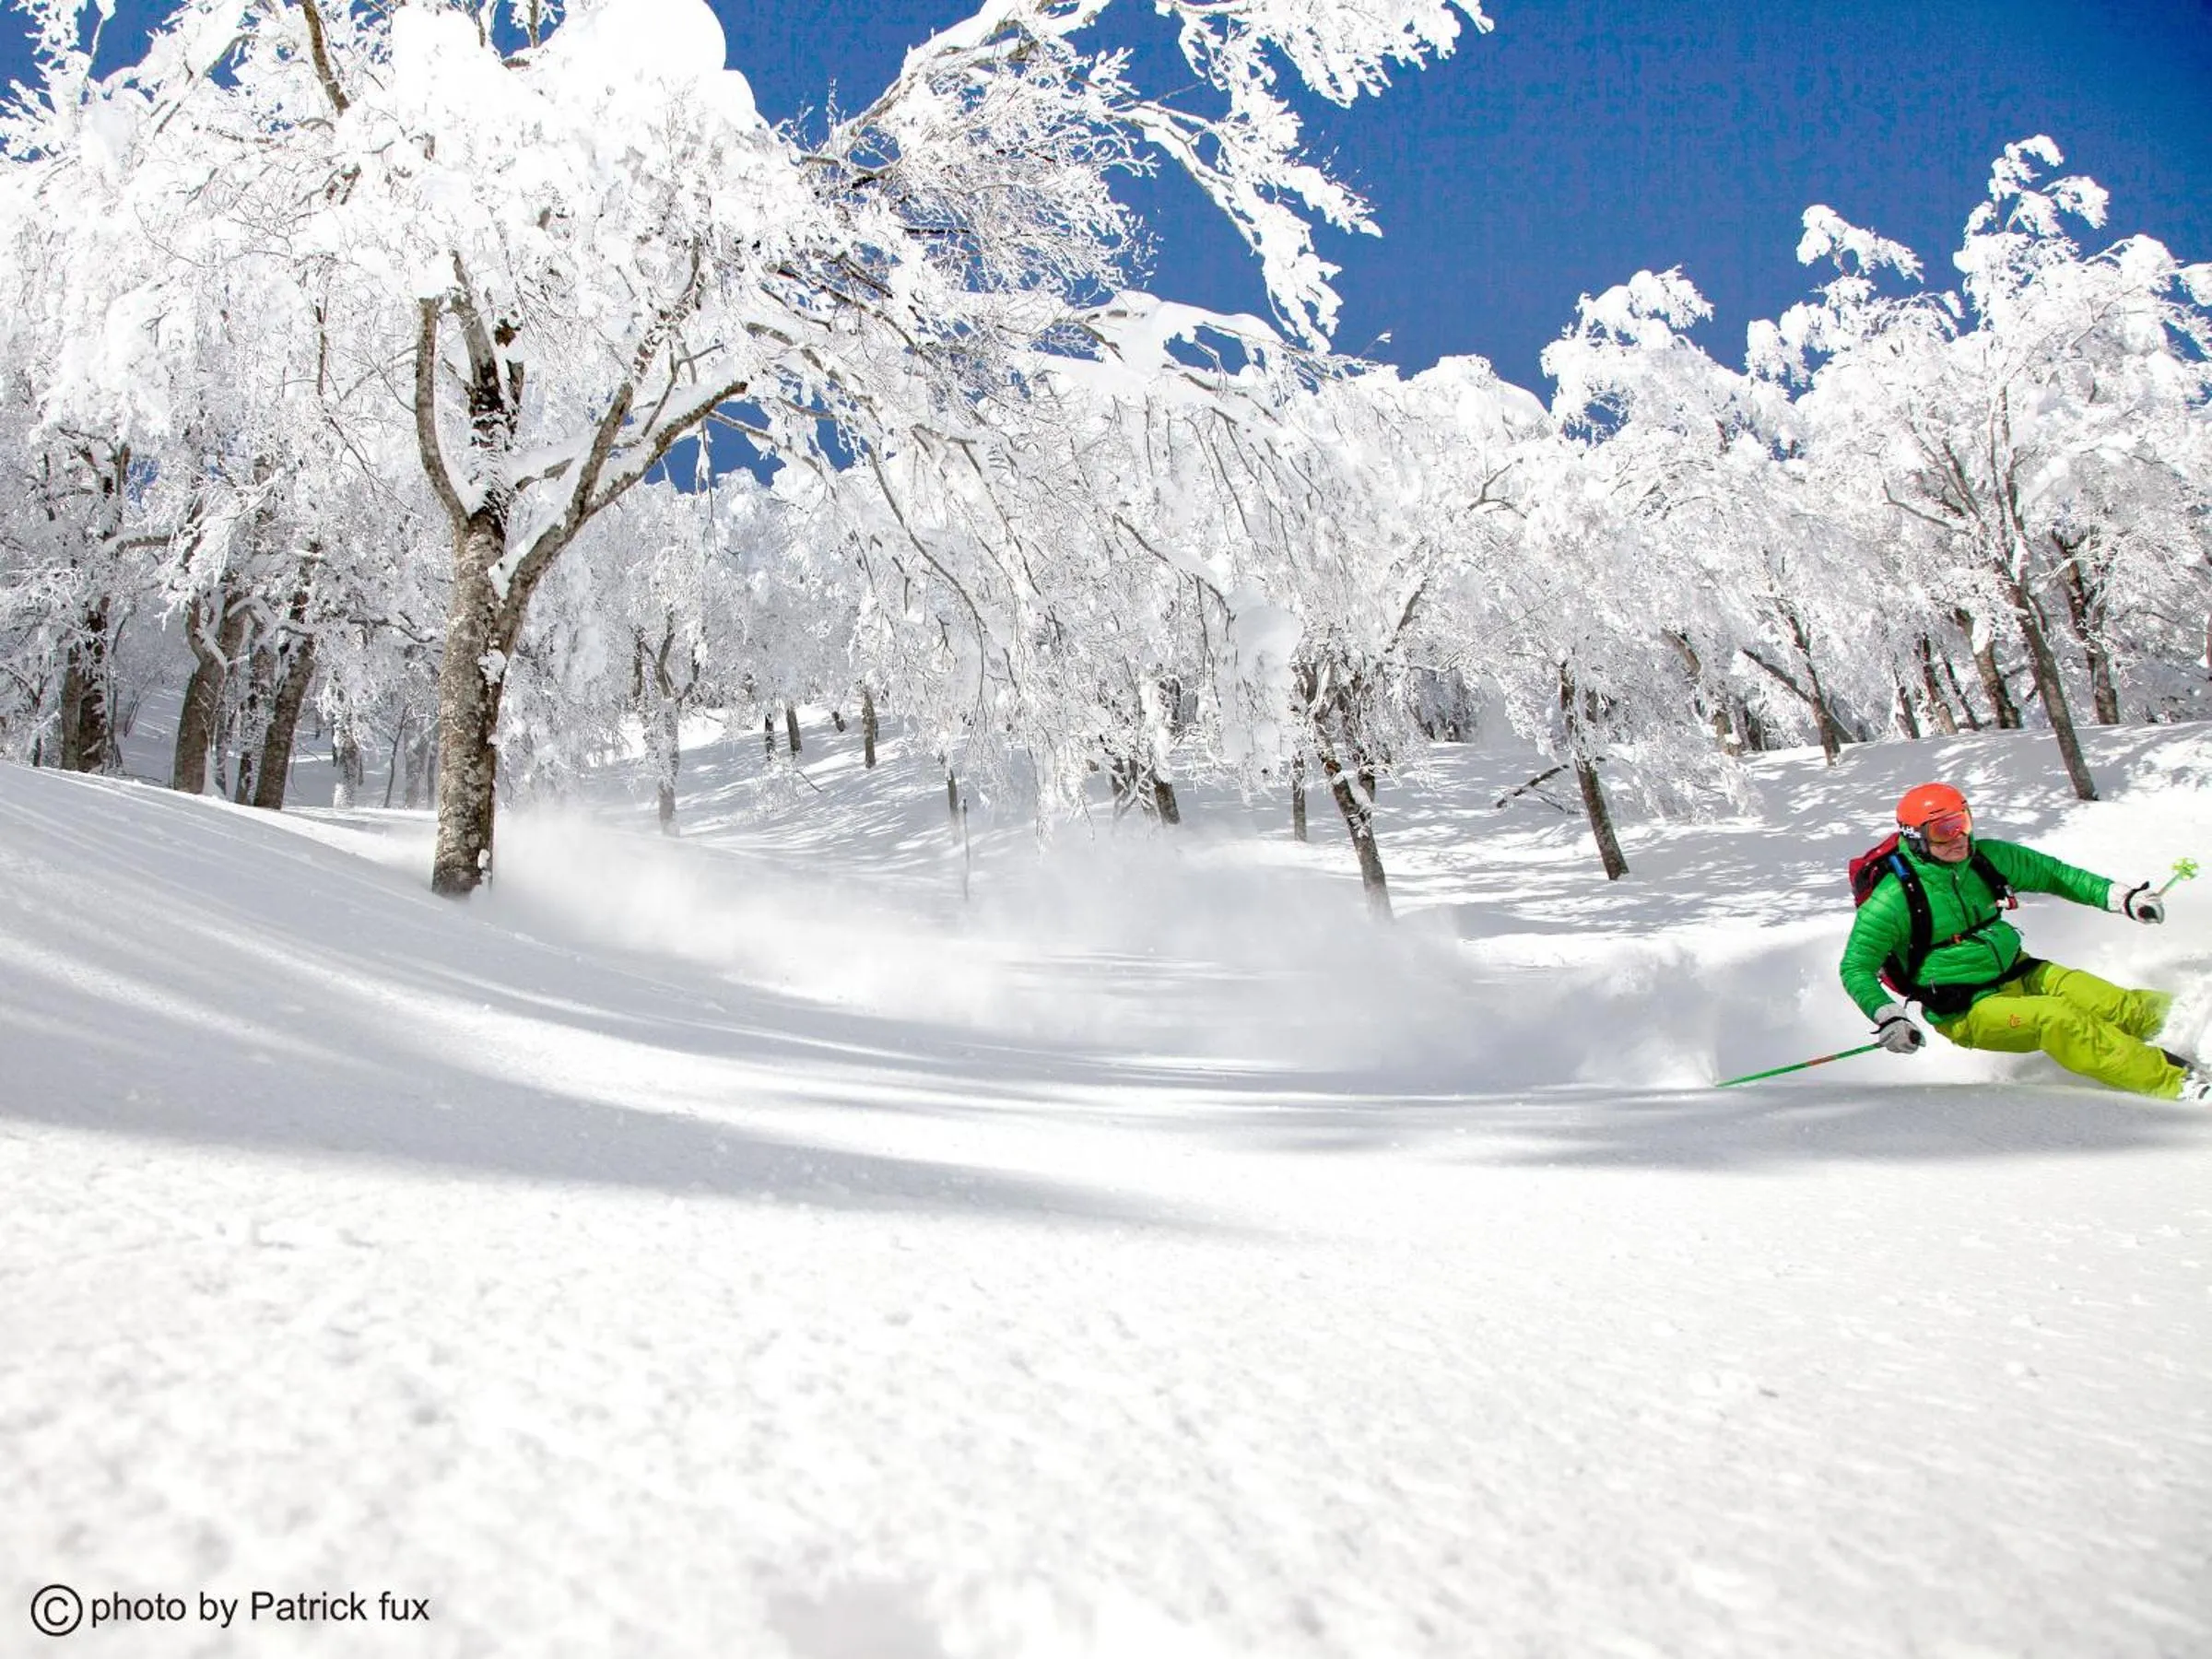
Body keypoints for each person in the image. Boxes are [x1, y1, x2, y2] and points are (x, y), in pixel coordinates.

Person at [1840, 782, 2209, 1102]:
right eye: (1942, 830)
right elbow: (1856, 967)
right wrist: (1888, 1016)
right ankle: (2180, 1084)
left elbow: (2055, 875)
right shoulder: (1892, 900)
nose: (1958, 838)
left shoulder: (1986, 860)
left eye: (1962, 823)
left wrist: (2123, 898)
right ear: (1915, 836)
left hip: (2021, 971)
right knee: (2059, 1020)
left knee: (2116, 1005)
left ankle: (2196, 1028)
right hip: (1967, 1009)